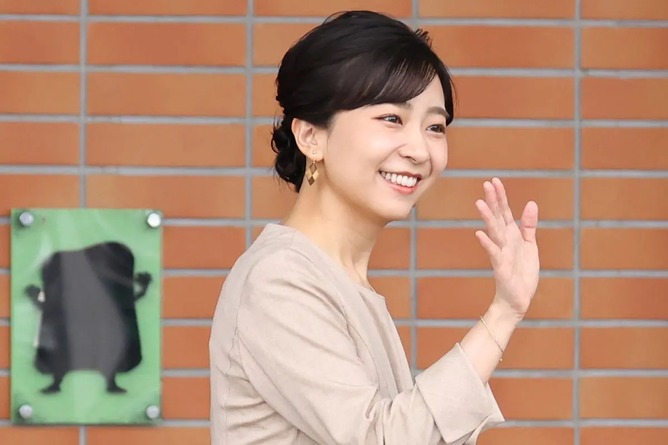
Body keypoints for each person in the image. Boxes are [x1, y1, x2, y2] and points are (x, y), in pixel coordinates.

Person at [209, 10, 540, 445]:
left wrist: (510, 305)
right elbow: (381, 438)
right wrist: (501, 314)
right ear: (311, 136)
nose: (419, 150)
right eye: (391, 119)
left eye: (435, 127)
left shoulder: (340, 281)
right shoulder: (279, 281)